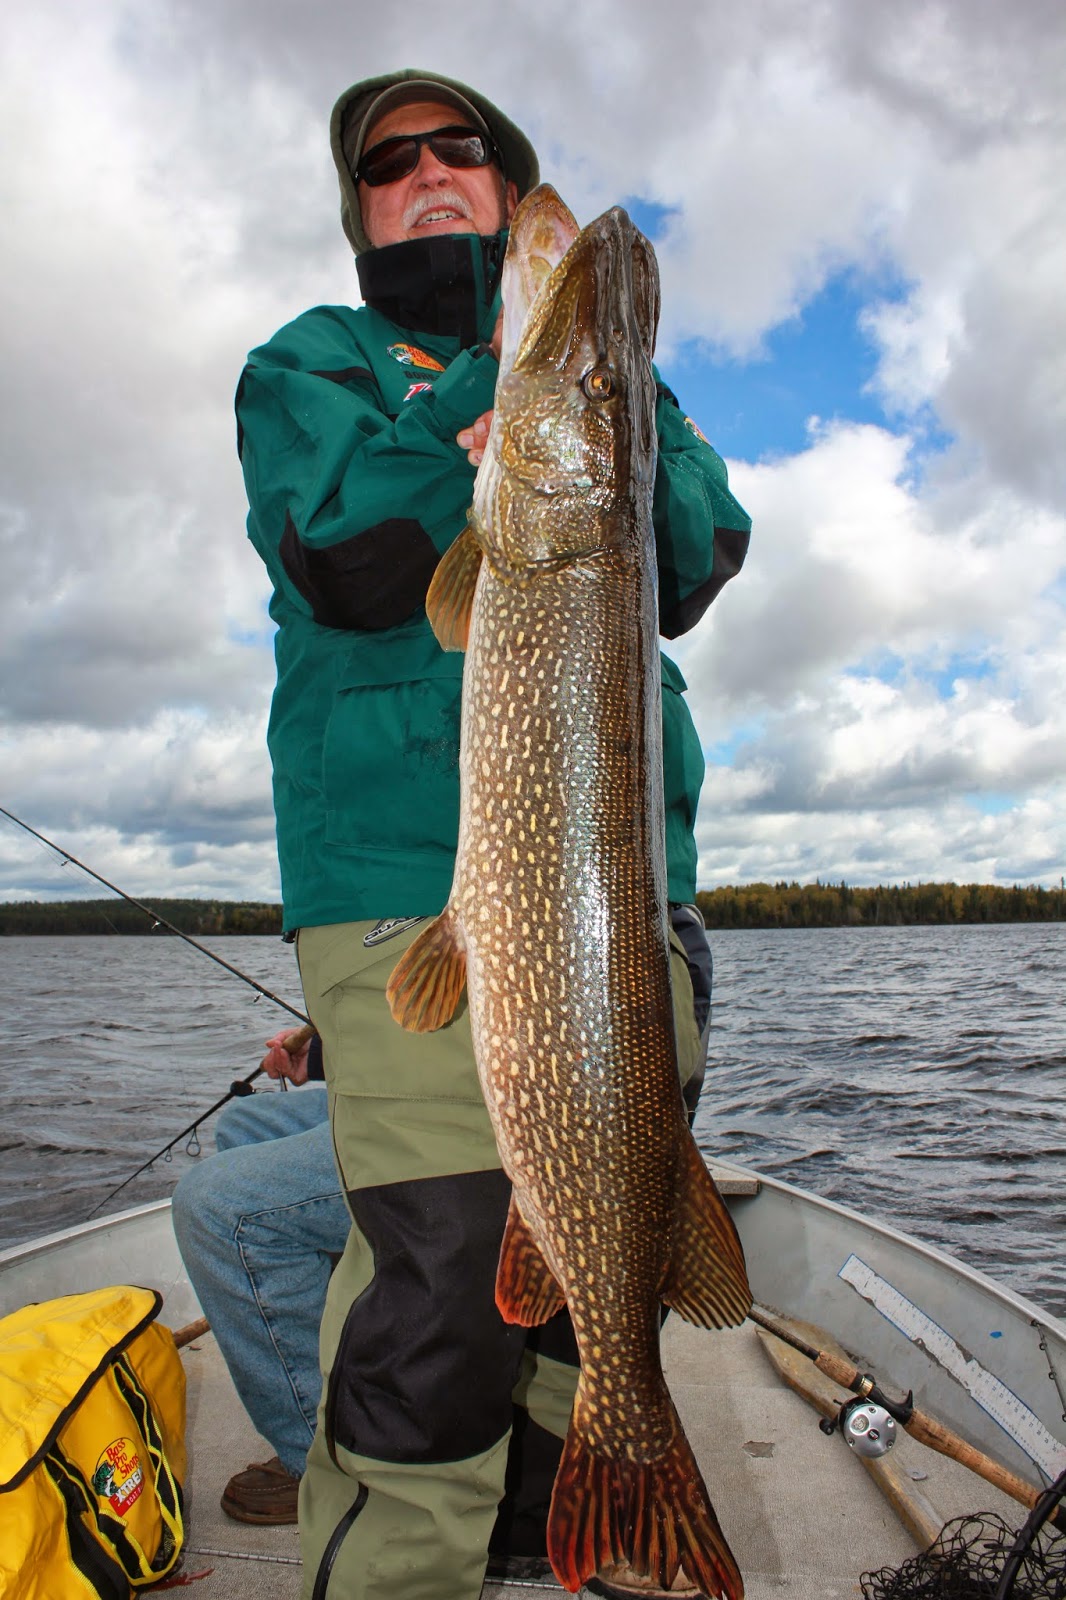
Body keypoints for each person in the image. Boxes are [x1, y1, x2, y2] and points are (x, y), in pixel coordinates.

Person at [235, 67, 751, 1600]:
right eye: (391, 163)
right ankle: (401, 1570)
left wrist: (592, 392)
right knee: (450, 1288)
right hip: (411, 897)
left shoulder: (606, 397)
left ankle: (562, 1525)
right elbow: (335, 550)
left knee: (596, 1278)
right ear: (361, 209)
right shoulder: (314, 362)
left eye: (463, 147)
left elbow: (702, 547)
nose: (433, 172)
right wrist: (490, 401)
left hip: (628, 904)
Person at [170, 1030, 347, 1524]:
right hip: (401, 1092)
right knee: (245, 1123)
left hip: (451, 1125)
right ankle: (357, 1355)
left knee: (214, 1206)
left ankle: (322, 1459)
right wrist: (318, 1055)